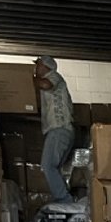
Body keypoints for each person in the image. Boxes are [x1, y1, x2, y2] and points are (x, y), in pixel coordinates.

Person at [33, 55, 75, 203]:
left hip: (59, 129)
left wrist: (28, 78)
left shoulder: (54, 76)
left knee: (47, 165)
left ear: (46, 67)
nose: (35, 68)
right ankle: (65, 200)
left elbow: (46, 85)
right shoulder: (46, 81)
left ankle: (64, 200)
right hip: (61, 131)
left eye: (38, 65)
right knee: (54, 168)